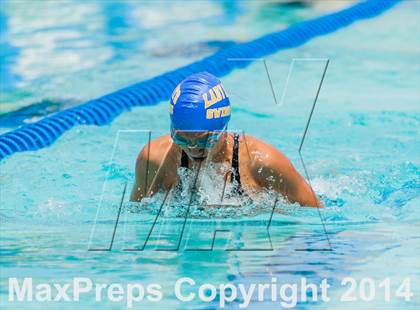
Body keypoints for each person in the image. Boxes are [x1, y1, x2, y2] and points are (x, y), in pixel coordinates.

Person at [130, 72, 322, 208]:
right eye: (181, 138)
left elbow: (315, 215)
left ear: (223, 128)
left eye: (204, 140)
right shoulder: (154, 159)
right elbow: (135, 217)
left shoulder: (263, 163)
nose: (193, 148)